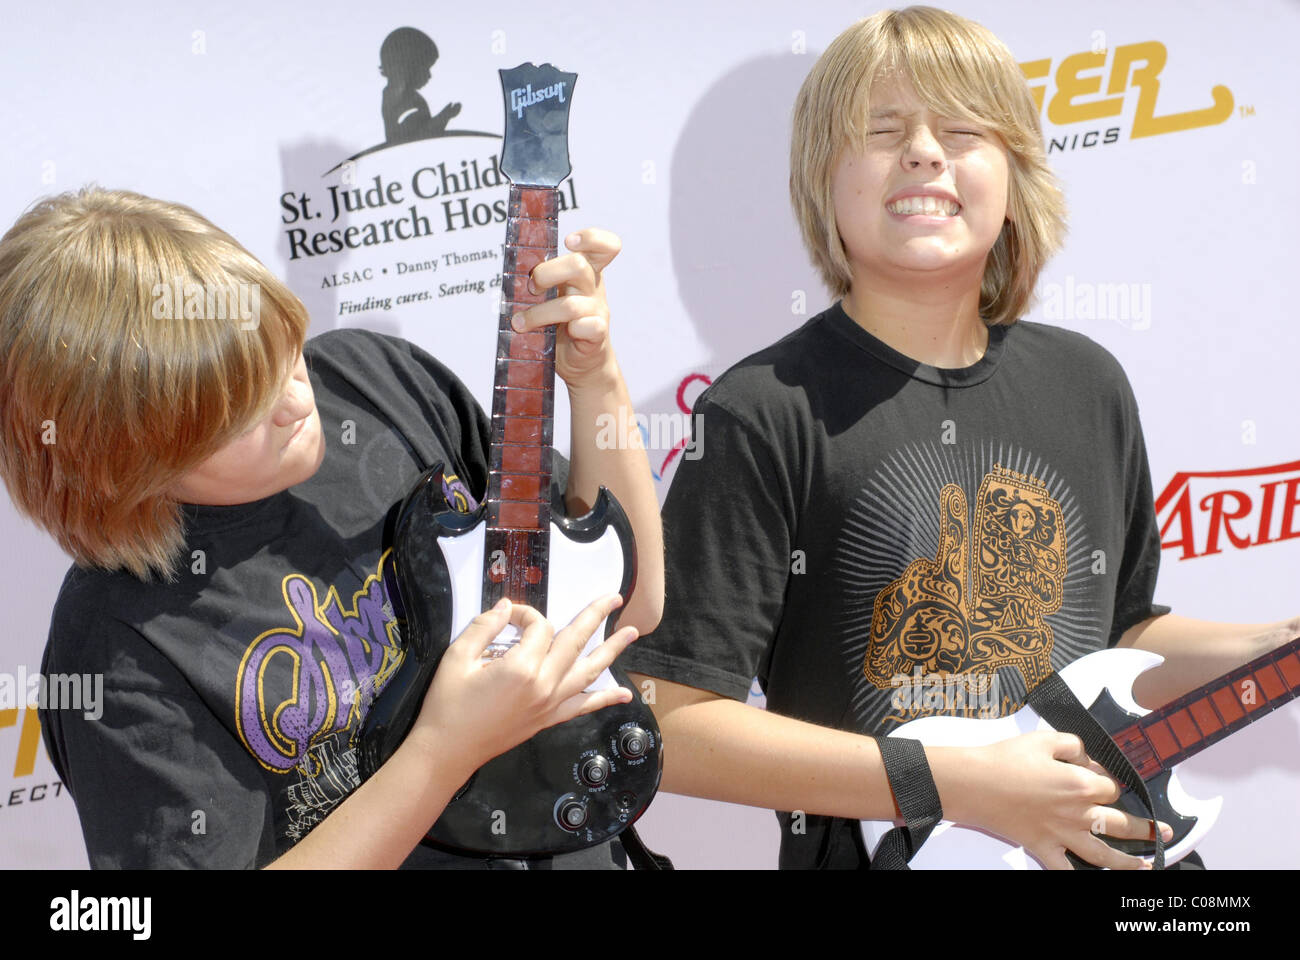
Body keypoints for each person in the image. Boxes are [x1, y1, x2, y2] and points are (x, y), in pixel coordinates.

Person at [621, 6, 1299, 870]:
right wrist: (952, 781)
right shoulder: (760, 411)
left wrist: (1274, 647)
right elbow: (672, 726)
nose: (924, 151)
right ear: (820, 180)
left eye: (962, 128)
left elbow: (1118, 636)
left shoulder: (1087, 382)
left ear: (1014, 174)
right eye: (882, 129)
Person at [0, 186, 664, 869]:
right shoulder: (118, 644)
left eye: (279, 349)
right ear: (122, 462)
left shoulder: (377, 382)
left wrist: (594, 381)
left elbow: (629, 612)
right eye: (237, 412)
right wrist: (444, 750)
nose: (292, 401)